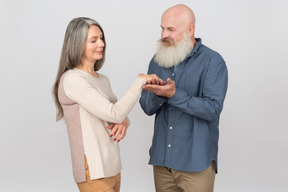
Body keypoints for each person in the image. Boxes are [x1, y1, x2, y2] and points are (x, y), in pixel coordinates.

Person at [52, 17, 165, 192]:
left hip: (112, 167)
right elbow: (114, 113)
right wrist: (139, 82)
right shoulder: (73, 79)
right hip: (93, 170)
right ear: (77, 44)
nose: (101, 44)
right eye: (93, 40)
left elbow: (114, 113)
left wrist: (125, 121)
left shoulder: (103, 79)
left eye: (102, 38)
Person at [139, 4, 228, 192]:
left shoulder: (213, 61)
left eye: (170, 29)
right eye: (162, 28)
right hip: (162, 162)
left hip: (196, 164)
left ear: (190, 30)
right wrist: (159, 94)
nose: (164, 34)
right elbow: (147, 108)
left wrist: (173, 94)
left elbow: (212, 109)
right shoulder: (157, 60)